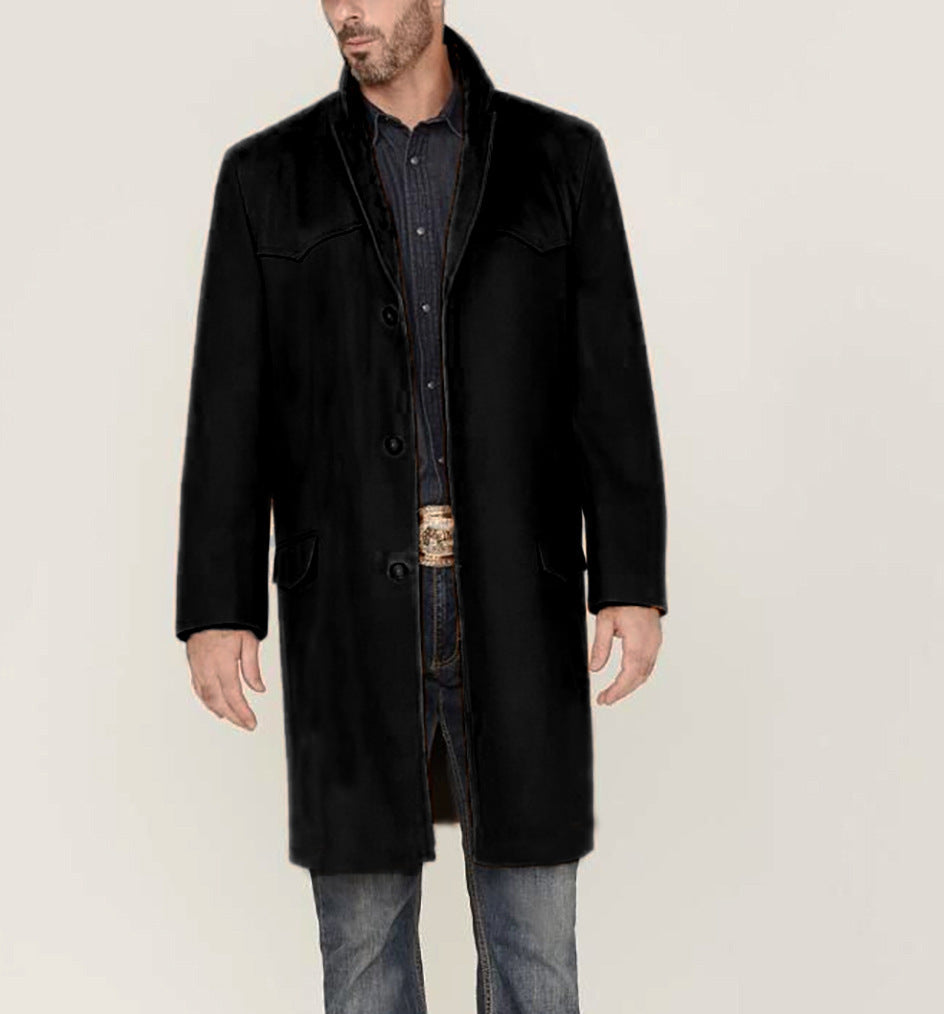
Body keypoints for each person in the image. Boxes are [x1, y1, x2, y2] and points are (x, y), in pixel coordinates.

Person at [175, 3, 668, 1012]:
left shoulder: (558, 159)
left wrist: (630, 578)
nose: (345, 13)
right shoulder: (267, 177)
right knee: (363, 951)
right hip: (349, 612)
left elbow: (607, 378)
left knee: (535, 945)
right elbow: (232, 403)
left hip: (516, 597)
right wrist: (217, 605)